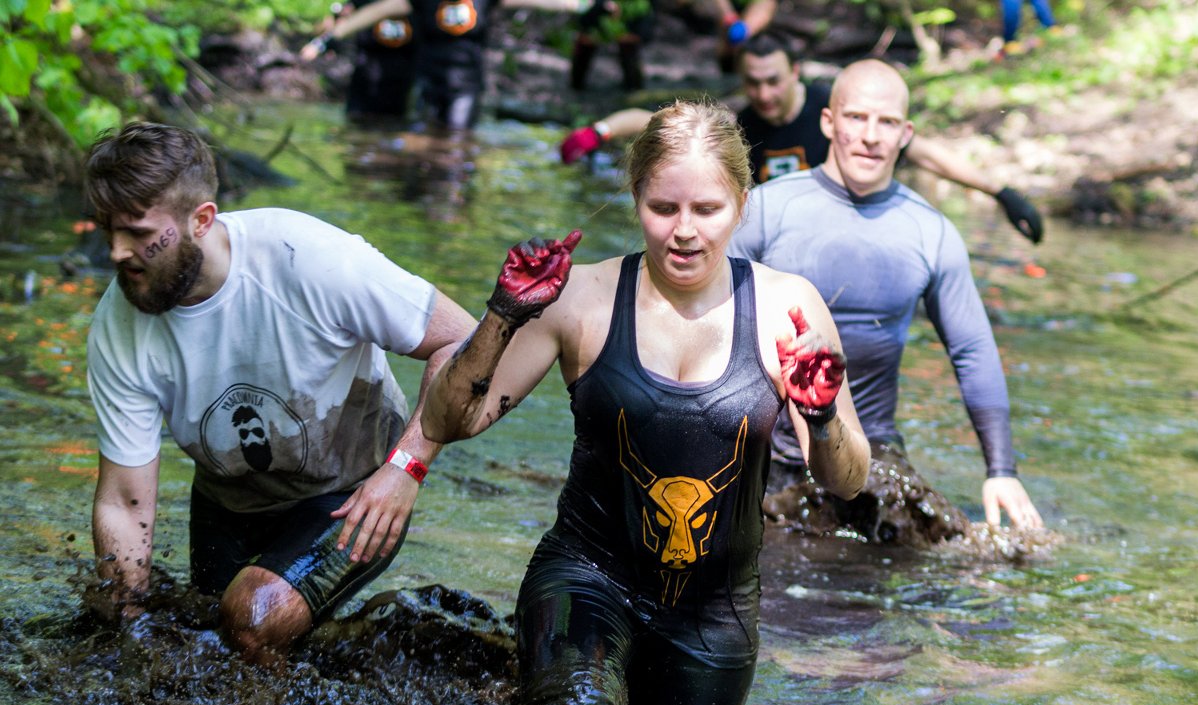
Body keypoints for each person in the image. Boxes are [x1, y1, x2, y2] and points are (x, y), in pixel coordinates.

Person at [421, 100, 870, 705]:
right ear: (636, 200)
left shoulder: (787, 308)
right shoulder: (580, 296)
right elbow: (449, 422)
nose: (684, 230)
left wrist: (821, 417)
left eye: (707, 210)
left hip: (715, 616)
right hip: (585, 578)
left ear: (742, 203)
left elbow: (847, 481)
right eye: (663, 208)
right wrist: (502, 314)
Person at [84, 122, 476, 665]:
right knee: (203, 652)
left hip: (353, 494)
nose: (115, 253)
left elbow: (465, 342)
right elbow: (125, 503)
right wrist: (124, 634)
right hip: (228, 501)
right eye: (107, 231)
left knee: (253, 621)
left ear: (201, 220)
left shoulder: (306, 257)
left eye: (136, 233)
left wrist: (406, 468)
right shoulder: (119, 323)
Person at [730, 59, 1045, 531]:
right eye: (856, 118)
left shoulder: (931, 232)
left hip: (871, 454)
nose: (871, 136)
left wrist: (1001, 472)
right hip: (764, 451)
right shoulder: (764, 210)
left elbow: (972, 350)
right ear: (828, 122)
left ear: (905, 134)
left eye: (888, 122)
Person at [560, 31, 1045, 244]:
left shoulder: (831, 111)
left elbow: (924, 153)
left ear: (795, 72)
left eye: (774, 81)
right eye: (754, 83)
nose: (765, 94)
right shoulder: (742, 121)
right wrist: (596, 131)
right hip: (777, 242)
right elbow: (658, 123)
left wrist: (1001, 193)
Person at [301, 0, 580, 131]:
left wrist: (587, 6)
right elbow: (375, 12)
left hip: (465, 86)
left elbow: (549, 1)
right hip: (427, 81)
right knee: (420, 141)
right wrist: (325, 40)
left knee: (455, 142)